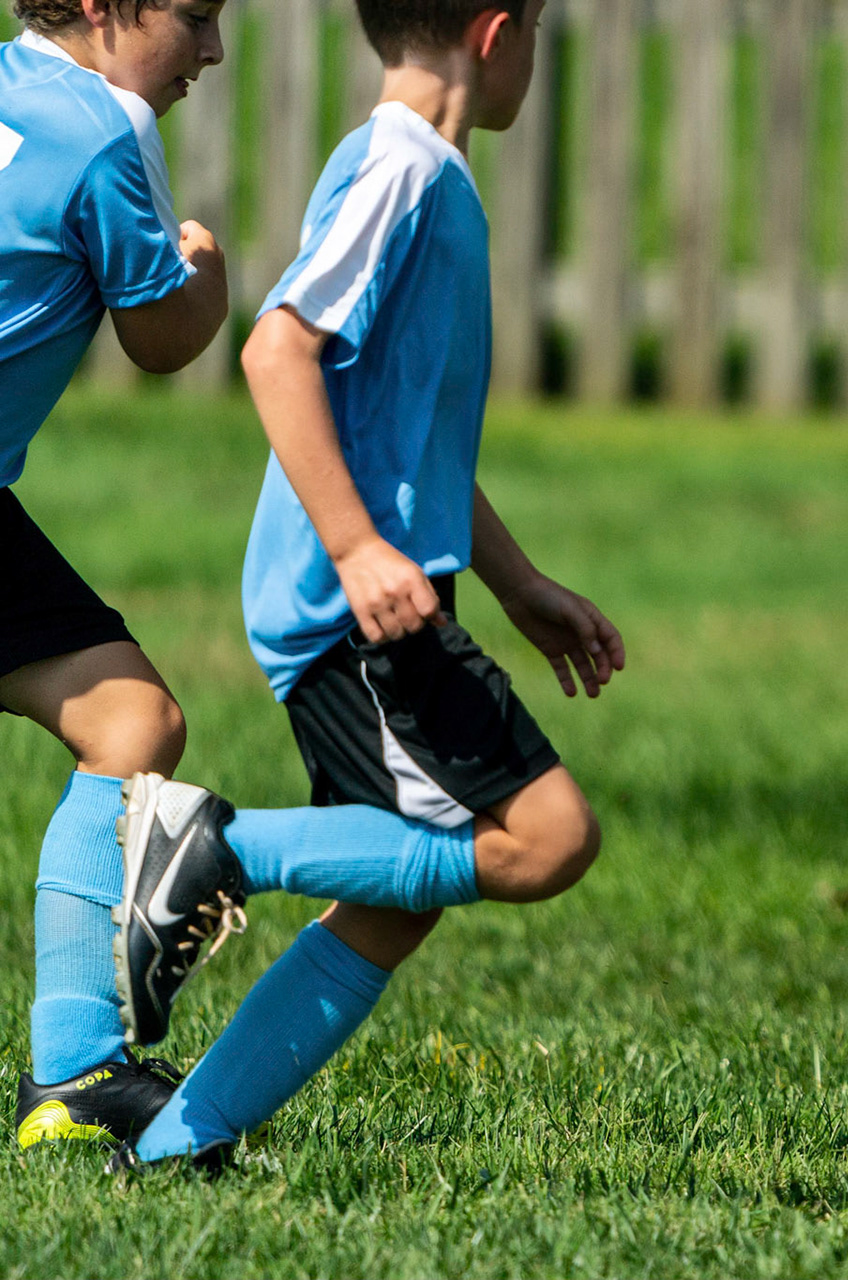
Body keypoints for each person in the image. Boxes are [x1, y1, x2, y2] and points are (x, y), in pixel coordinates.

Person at [108, 0, 625, 1173]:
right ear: (499, 34)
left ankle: (174, 1143)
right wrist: (354, 549)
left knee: (399, 894)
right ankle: (214, 846)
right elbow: (275, 349)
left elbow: (404, 436)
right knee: (547, 838)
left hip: (373, 591)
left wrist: (518, 579)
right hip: (353, 607)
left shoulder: (424, 173)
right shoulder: (400, 169)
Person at [2, 0, 231, 1151]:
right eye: (196, 16)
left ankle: (78, 1071)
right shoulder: (105, 130)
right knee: (130, 722)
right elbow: (164, 336)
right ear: (99, 7)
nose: (213, 51)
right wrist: (206, 269)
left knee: (131, 718)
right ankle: (73, 1066)